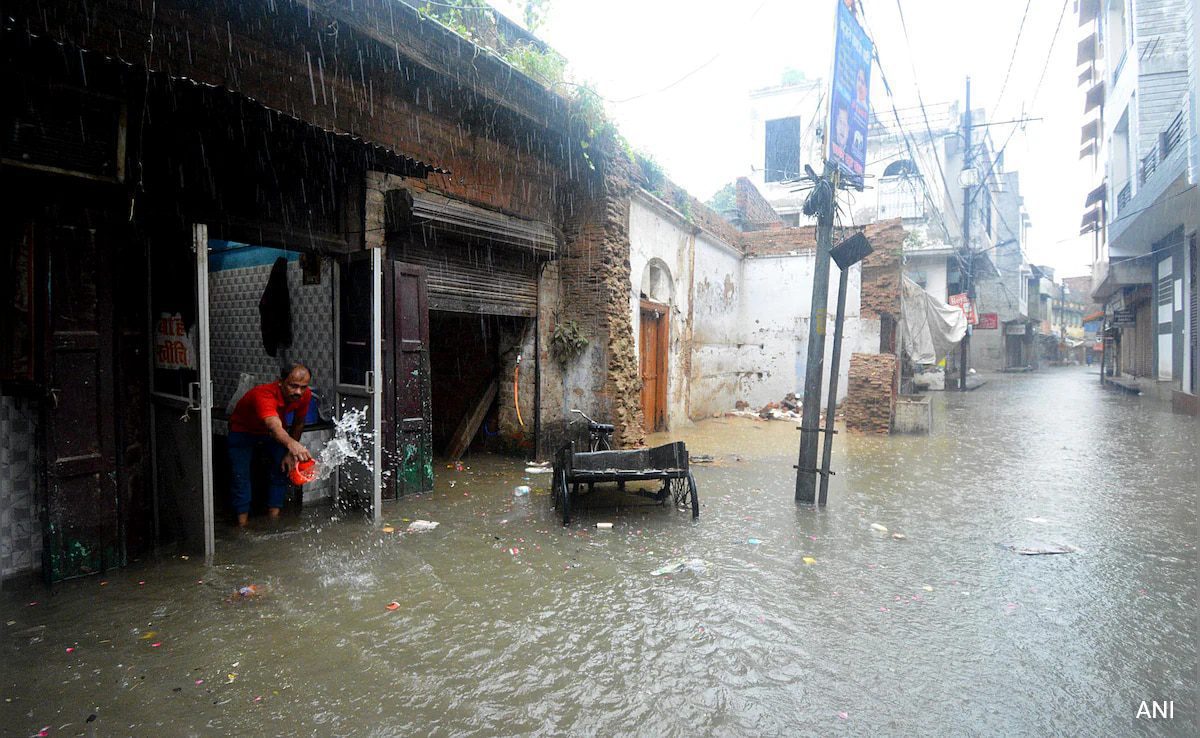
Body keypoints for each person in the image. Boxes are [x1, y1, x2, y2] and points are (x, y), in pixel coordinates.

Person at [227, 363, 314, 526]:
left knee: (281, 468)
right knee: (241, 477)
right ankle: (242, 526)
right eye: (293, 386)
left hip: (272, 434)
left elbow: (299, 422)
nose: (298, 392)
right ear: (280, 382)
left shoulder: (305, 395)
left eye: (303, 387)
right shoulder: (264, 395)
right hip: (242, 432)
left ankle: (274, 520)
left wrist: (289, 453)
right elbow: (274, 427)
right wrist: (292, 444)